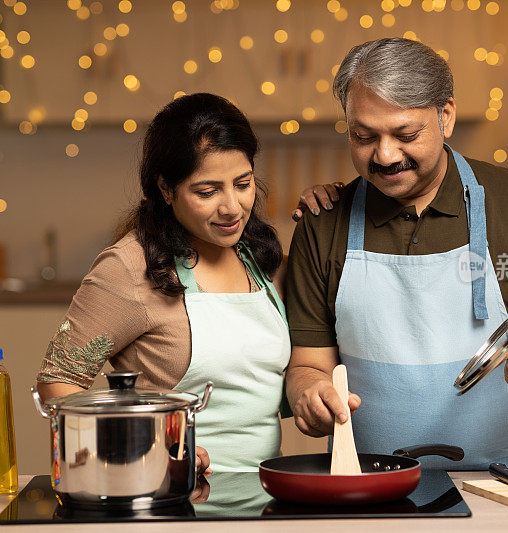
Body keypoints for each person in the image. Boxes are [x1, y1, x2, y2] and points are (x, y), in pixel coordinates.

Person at [285, 38, 508, 470]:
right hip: (370, 488)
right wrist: (310, 396)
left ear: (445, 116)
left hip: (506, 485)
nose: (384, 155)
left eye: (405, 134)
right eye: (363, 136)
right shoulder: (322, 223)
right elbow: (308, 364)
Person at [36, 93, 335, 474]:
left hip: (260, 499)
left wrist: (340, 205)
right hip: (167, 501)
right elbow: (57, 380)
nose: (231, 207)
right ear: (165, 189)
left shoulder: (262, 261)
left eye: (242, 184)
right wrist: (146, 450)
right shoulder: (129, 268)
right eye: (207, 192)